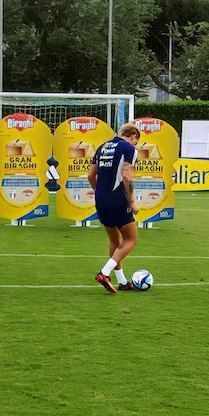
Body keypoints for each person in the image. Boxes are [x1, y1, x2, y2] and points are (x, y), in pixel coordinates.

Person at [87, 123, 141, 293]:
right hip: (118, 198)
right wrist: (132, 201)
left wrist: (98, 191)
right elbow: (126, 176)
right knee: (131, 240)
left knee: (114, 241)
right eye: (136, 141)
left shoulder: (102, 147)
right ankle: (104, 272)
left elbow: (90, 174)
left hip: (101, 199)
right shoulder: (128, 149)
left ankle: (123, 281)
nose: (136, 146)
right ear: (132, 135)